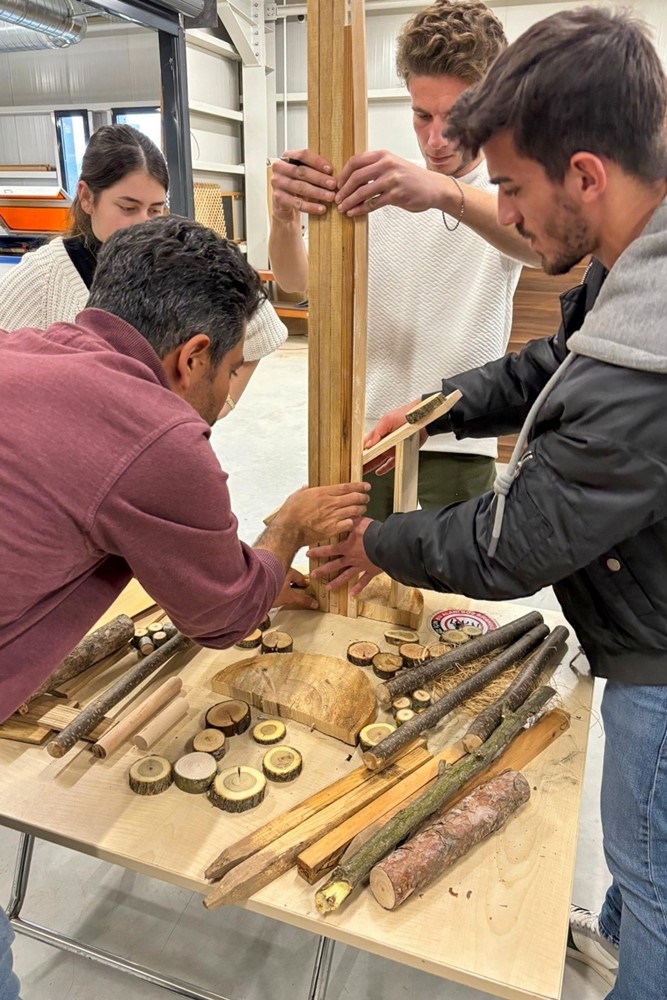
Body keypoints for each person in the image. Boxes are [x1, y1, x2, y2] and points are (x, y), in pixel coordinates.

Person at [308, 8, 667, 999]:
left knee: (655, 876)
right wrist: (439, 407)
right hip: (643, 614)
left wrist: (375, 542)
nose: (501, 212)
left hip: (660, 656)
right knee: (644, 874)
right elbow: (553, 359)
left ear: (585, 174)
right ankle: (622, 934)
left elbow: (517, 542)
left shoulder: (649, 367)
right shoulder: (632, 261)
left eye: (509, 186)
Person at [269, 0, 538, 520]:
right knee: (352, 589)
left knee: (450, 600)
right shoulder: (384, 186)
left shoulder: (506, 189)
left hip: (458, 443)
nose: (436, 139)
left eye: (458, 117)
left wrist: (440, 191)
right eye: (422, 115)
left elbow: (539, 246)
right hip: (364, 439)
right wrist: (282, 218)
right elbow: (296, 284)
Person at [0, 124, 285, 417]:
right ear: (86, 197)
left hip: (163, 446)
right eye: (128, 208)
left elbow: (262, 328)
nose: (143, 224)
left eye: (155, 210)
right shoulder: (43, 278)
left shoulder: (180, 258)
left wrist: (218, 405)